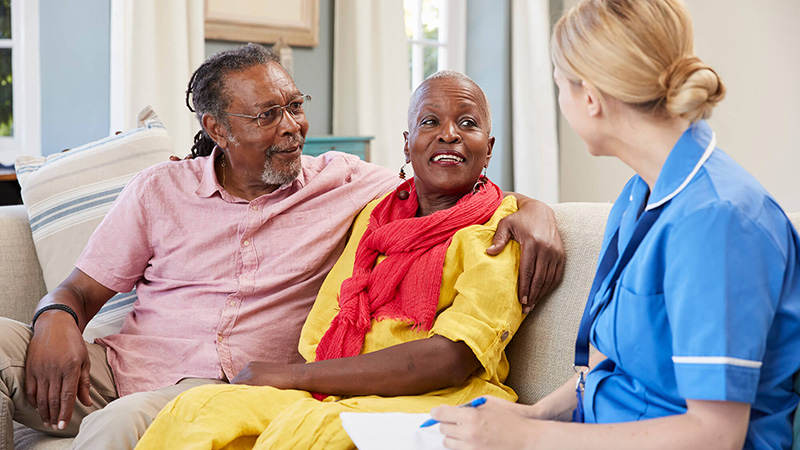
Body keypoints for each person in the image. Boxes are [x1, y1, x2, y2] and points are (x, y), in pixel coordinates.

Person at [0, 45, 563, 450]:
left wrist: (536, 209)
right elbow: (79, 291)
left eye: (295, 106)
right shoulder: (159, 189)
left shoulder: (345, 182)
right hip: (120, 365)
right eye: (268, 116)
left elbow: (448, 179)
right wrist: (56, 317)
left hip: (220, 384)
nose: (293, 126)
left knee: (121, 423)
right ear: (217, 129)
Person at [431, 1, 800, 449]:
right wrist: (530, 414)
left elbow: (716, 434)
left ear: (590, 98)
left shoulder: (718, 222)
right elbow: (605, 370)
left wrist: (530, 436)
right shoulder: (636, 196)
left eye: (559, 85)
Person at [134, 70, 523, 449]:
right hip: (337, 389)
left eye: (467, 123)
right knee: (197, 410)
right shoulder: (376, 214)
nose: (449, 134)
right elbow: (326, 322)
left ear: (488, 148)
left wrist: (292, 376)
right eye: (430, 122)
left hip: (440, 396)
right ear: (407, 145)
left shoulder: (502, 230)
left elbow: (452, 359)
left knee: (310, 433)